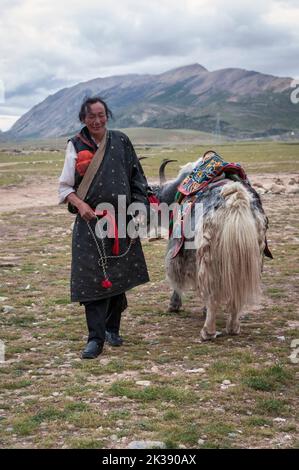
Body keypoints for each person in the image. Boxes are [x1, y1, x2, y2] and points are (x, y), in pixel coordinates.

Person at [58, 96, 150, 359]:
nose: (97, 120)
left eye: (101, 115)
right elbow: (65, 188)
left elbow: (137, 178)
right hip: (91, 223)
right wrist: (80, 204)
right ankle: (95, 339)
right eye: (91, 116)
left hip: (122, 220)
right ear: (83, 119)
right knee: (93, 279)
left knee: (118, 276)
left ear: (107, 115)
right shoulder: (75, 145)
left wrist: (139, 207)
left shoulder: (120, 141)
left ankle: (112, 328)